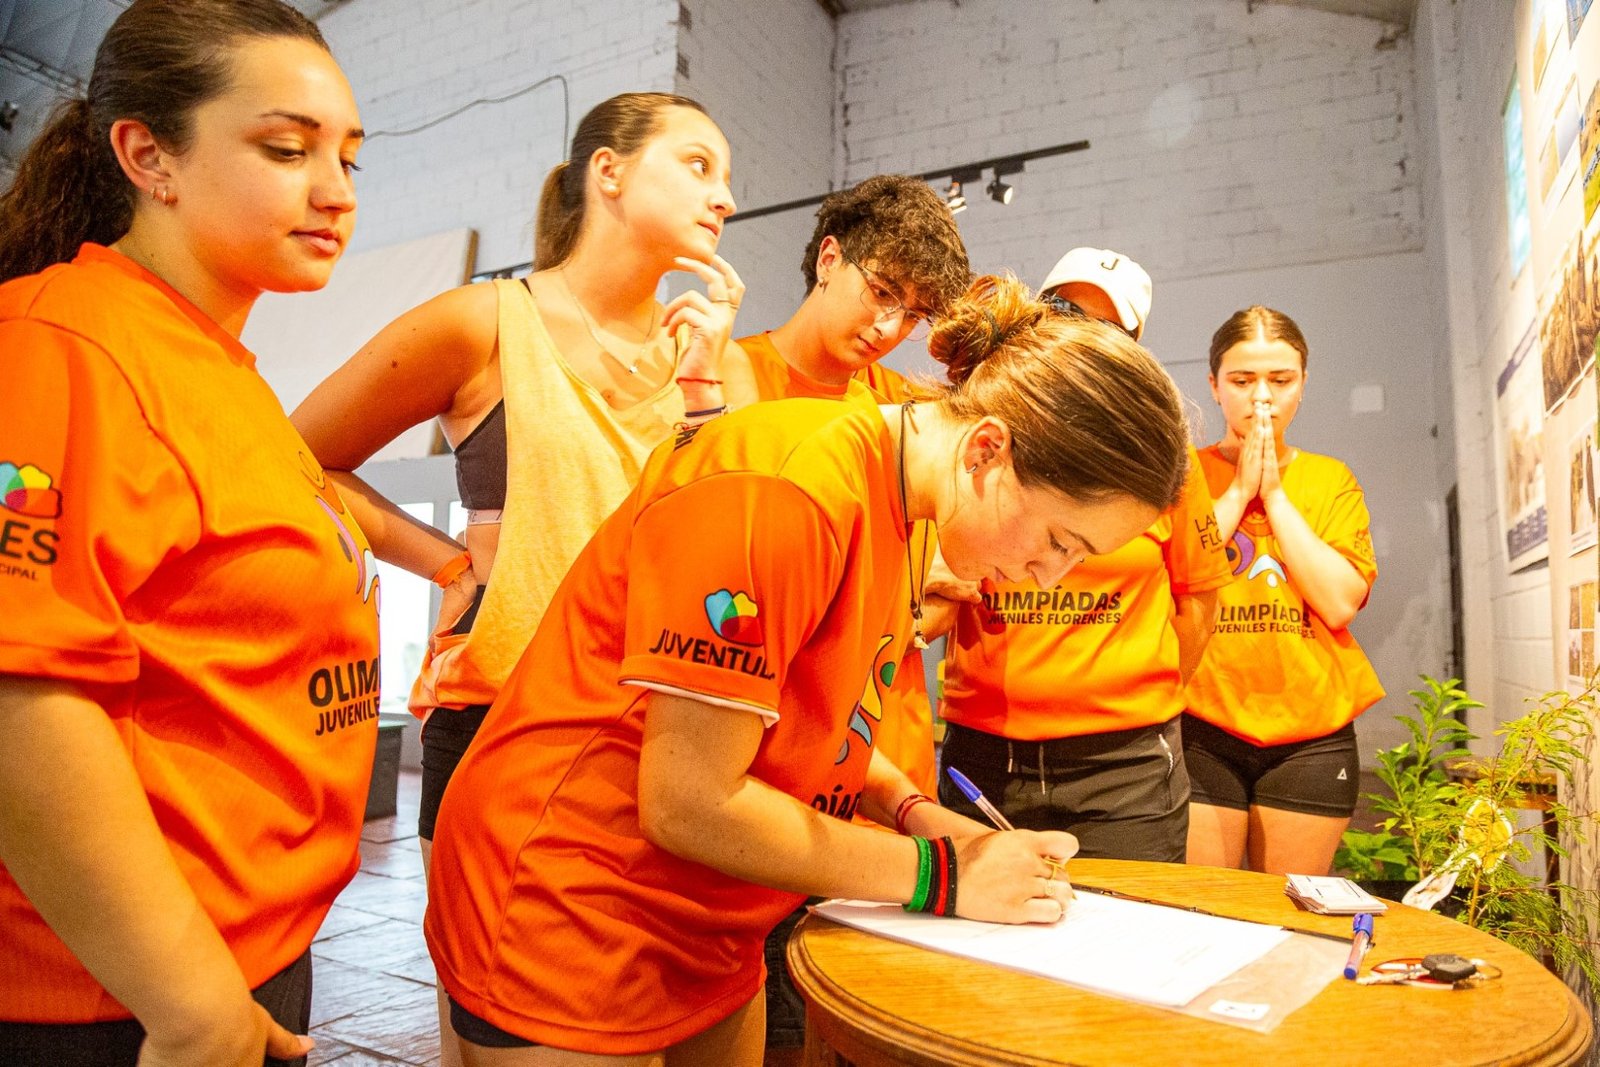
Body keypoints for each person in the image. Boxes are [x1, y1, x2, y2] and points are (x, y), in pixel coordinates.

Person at [425, 274, 1192, 1065]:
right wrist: (945, 874)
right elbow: (688, 799)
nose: (1050, 577)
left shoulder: (908, 503)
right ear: (986, 450)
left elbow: (817, 716)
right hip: (573, 891)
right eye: (1061, 541)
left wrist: (914, 811)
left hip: (709, 902)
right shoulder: (789, 486)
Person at [290, 91, 741, 1066]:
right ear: (608, 171)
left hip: (656, 743)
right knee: (496, 1033)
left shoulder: (709, 360)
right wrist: (446, 562)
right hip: (501, 729)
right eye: (699, 165)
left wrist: (709, 390)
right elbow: (295, 454)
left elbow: (727, 548)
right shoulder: (485, 321)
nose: (726, 198)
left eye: (727, 177)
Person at [0, 3, 375, 1065]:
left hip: (245, 950)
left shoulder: (219, 368)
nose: (337, 191)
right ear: (148, 156)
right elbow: (21, 696)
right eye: (287, 149)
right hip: (117, 994)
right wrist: (192, 1002)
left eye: (348, 156)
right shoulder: (59, 344)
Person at [723, 173, 970, 1055]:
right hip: (756, 771)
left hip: (879, 758)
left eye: (914, 313)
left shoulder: (907, 409)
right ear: (829, 257)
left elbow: (926, 593)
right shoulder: (730, 377)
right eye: (882, 292)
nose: (890, 326)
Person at [934, 249, 1229, 863]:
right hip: (984, 748)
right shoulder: (975, 431)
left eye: (1108, 329)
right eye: (1065, 310)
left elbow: (1199, 596)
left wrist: (1141, 698)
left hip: (1124, 764)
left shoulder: (1157, 459)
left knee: (1127, 918)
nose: (1081, 333)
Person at [1183, 305, 1383, 876]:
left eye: (1280, 380)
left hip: (1310, 730)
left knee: (1290, 908)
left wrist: (1272, 495)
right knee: (1204, 909)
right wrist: (1237, 491)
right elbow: (1180, 574)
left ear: (1303, 384)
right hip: (1201, 720)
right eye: (1242, 381)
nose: (1261, 398)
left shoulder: (1330, 479)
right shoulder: (1184, 474)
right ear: (1214, 385)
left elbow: (1338, 603)